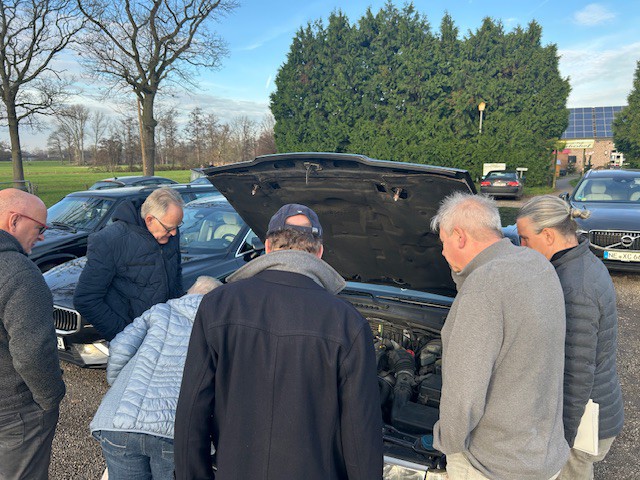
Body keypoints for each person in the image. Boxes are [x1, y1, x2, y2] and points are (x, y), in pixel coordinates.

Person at [174, 204, 382, 480]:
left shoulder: (218, 305)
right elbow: (360, 433)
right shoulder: (347, 322)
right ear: (320, 253)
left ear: (268, 247)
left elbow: (192, 408)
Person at [430, 192, 569, 480]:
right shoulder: (537, 264)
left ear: (459, 237)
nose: (442, 252)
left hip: (493, 466)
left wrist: (447, 445)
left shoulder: (484, 287)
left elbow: (464, 395)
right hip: (543, 453)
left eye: (443, 242)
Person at [516, 195, 624, 480]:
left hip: (583, 422)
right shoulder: (580, 263)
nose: (522, 247)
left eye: (525, 239)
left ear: (548, 235)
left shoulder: (575, 287)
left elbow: (576, 374)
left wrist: (560, 438)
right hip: (594, 408)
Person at [90, 276, 222, 480]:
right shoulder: (219, 328)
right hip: (174, 431)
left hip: (120, 424)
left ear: (189, 292)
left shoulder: (161, 311)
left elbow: (120, 347)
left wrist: (120, 385)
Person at [0, 188, 66, 479]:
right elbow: (33, 353)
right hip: (14, 412)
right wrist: (50, 398)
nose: (41, 237)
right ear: (14, 220)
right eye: (40, 228)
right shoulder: (19, 272)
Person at [74, 187, 185, 341]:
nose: (174, 233)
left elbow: (176, 277)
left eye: (177, 227)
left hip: (165, 335)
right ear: (150, 220)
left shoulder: (169, 235)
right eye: (169, 228)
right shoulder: (110, 240)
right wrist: (125, 336)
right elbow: (85, 299)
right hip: (132, 340)